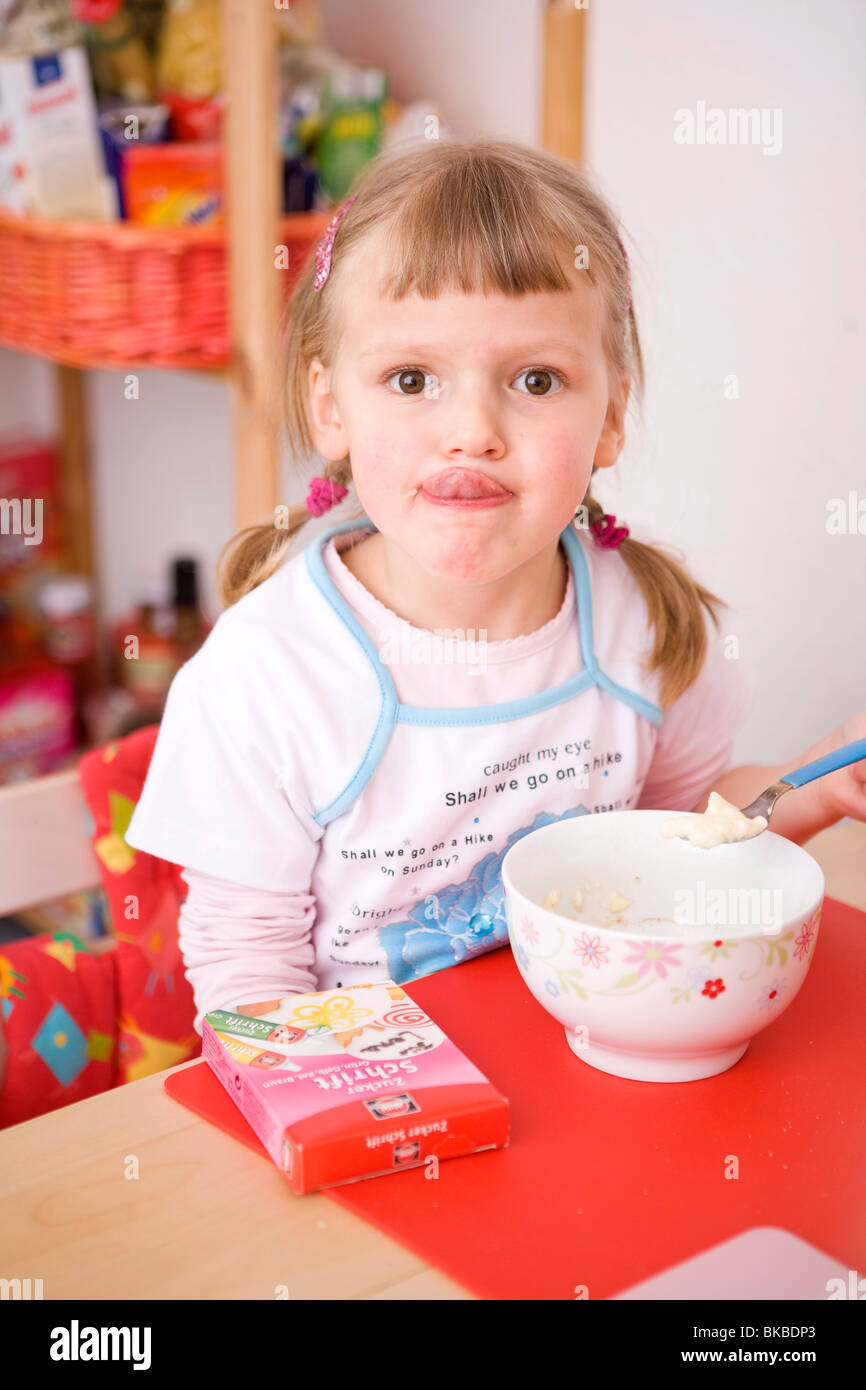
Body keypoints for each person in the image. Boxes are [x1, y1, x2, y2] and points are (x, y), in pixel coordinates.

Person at [124, 136, 866, 1036]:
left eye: (535, 380)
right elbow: (247, 973)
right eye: (411, 379)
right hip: (370, 1108)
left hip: (586, 1065)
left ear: (612, 414)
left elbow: (680, 848)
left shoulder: (646, 627)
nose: (472, 430)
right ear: (330, 409)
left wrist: (821, 787)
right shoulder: (264, 677)